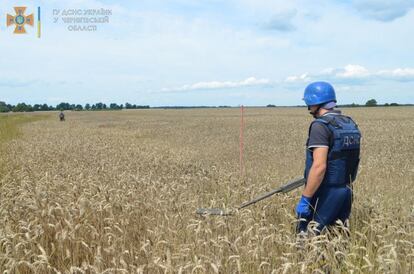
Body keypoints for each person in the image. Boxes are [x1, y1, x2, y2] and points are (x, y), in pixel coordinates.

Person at [296, 81, 361, 234]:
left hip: (325, 192)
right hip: (346, 191)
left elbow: (319, 166)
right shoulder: (349, 124)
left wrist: (306, 198)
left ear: (314, 102)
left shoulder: (320, 126)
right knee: (337, 239)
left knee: (309, 239)